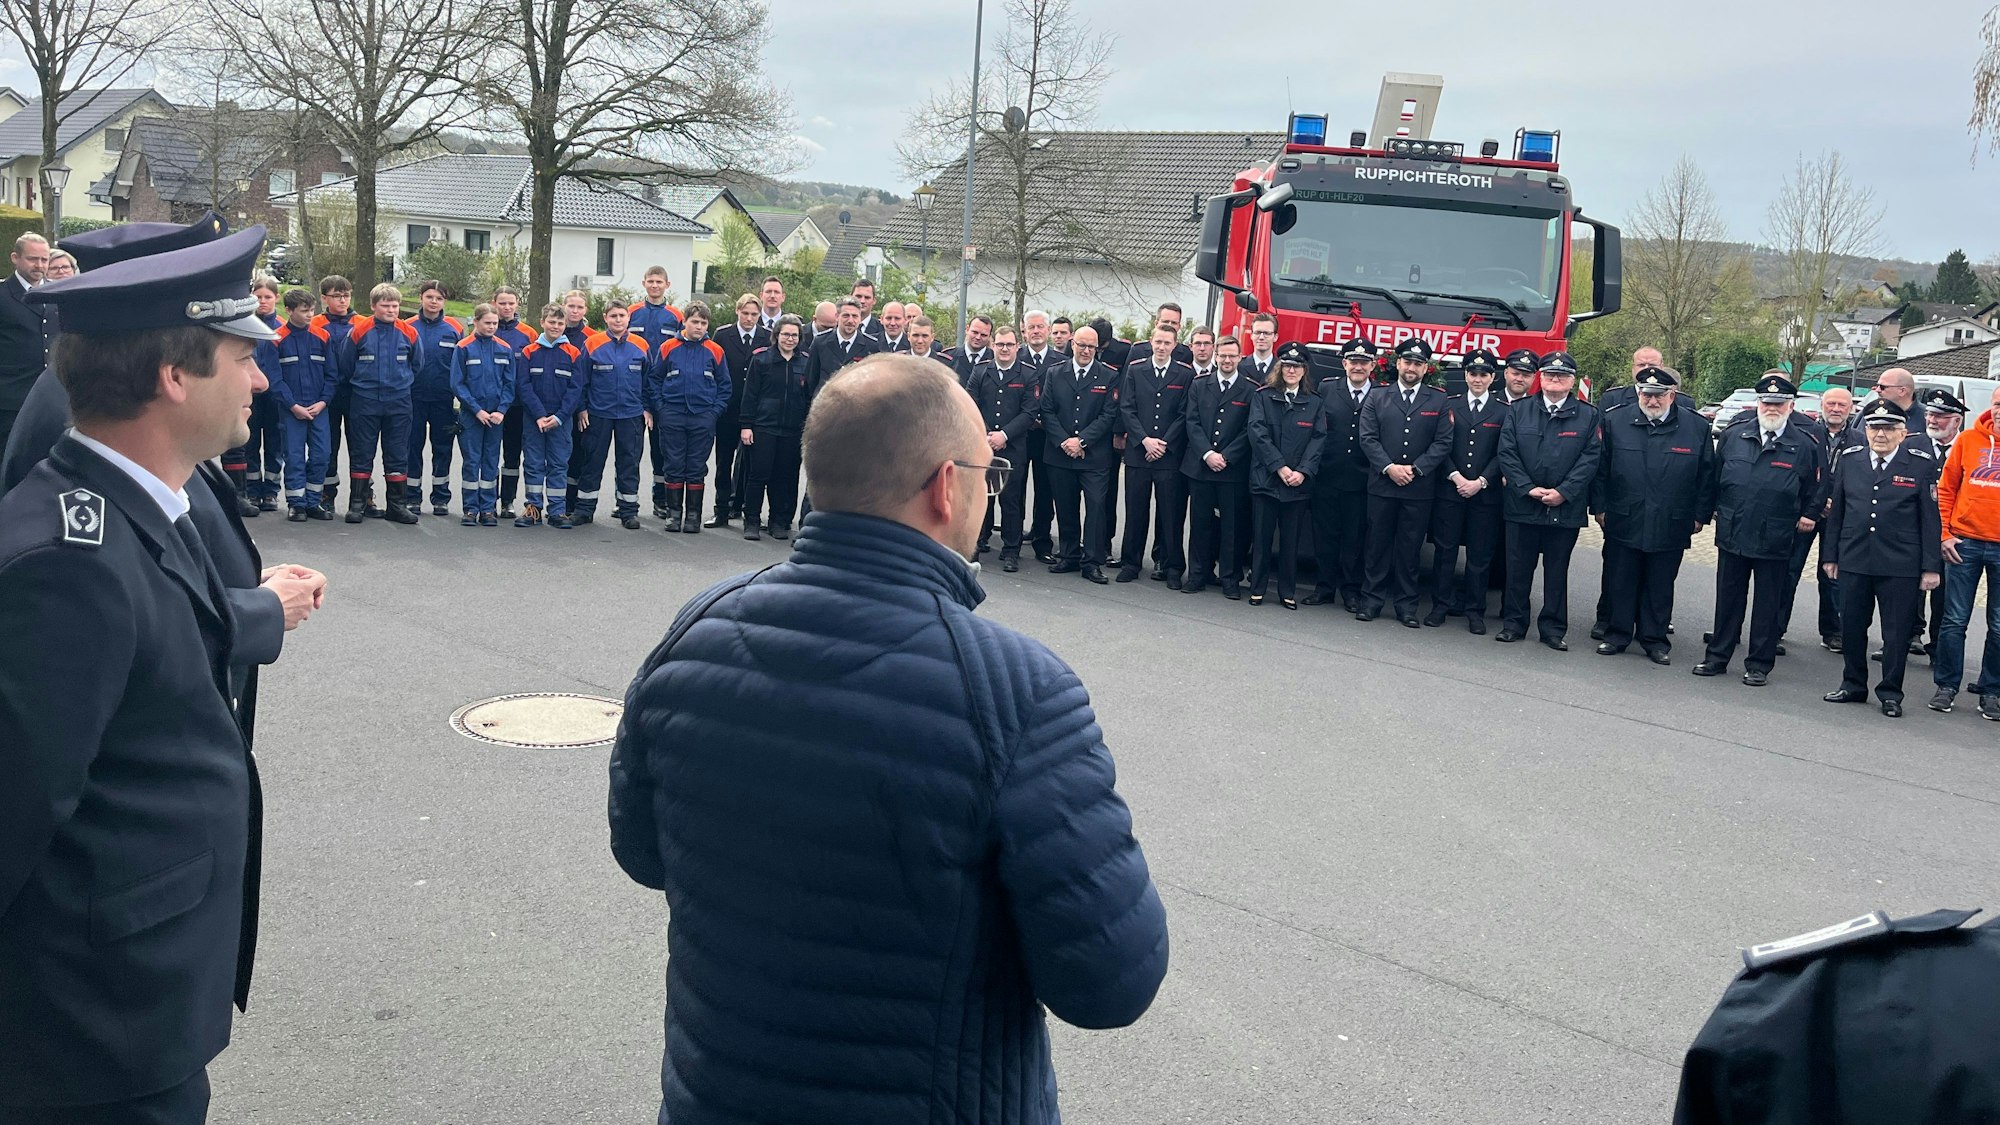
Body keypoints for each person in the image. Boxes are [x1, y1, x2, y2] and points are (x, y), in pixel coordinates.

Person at [607, 353, 1167, 1123]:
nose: (989, 491)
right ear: (946, 486)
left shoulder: (698, 627)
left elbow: (641, 850)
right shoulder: (1016, 691)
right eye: (990, 474)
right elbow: (1112, 978)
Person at [0, 224, 327, 1123]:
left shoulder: (142, 503)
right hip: (91, 1039)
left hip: (143, 1008)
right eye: (242, 357)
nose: (261, 379)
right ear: (174, 376)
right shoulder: (63, 561)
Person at [1694, 374, 1826, 686]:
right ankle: (1717, 657)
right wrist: (1705, 513)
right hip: (1734, 529)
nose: (1772, 408)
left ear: (1790, 406)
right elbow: (1714, 478)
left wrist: (1809, 515)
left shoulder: (1805, 444)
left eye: (1779, 403)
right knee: (1728, 600)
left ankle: (1758, 664)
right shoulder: (1734, 434)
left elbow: (1817, 487)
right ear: (1758, 404)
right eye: (1766, 403)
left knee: (1768, 603)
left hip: (1776, 534)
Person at [1821, 399, 1942, 718]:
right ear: (1866, 431)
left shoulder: (1920, 464)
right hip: (1855, 557)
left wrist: (1931, 566)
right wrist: (1830, 555)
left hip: (1900, 563)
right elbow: (1838, 512)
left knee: (1896, 632)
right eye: (1875, 428)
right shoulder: (1851, 459)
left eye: (1889, 428)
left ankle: (1890, 692)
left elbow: (1930, 519)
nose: (1881, 434)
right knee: (1851, 626)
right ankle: (1853, 684)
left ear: (1903, 433)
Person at [1589, 365, 1717, 663]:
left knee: (1660, 584)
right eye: (1646, 394)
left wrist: (1700, 515)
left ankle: (1655, 640)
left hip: (1672, 518)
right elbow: (1600, 469)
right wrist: (1599, 507)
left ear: (1672, 395)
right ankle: (1617, 635)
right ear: (1638, 393)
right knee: (1621, 579)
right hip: (1624, 515)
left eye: (1659, 395)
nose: (1652, 400)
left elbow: (1706, 476)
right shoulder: (1615, 420)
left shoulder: (1695, 427)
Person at [1494, 351, 1602, 650]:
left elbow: (1590, 458)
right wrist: (1527, 488)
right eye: (1550, 374)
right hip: (1523, 503)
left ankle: (1553, 629)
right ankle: (1513, 624)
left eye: (1562, 375)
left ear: (1572, 381)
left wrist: (1564, 492)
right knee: (1517, 570)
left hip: (1564, 507)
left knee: (1557, 572)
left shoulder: (1589, 415)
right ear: (1540, 378)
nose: (1556, 379)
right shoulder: (1519, 410)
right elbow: (1507, 453)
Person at [1356, 337, 1451, 626]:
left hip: (1418, 488)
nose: (1412, 368)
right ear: (1398, 364)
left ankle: (1406, 606)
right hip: (1382, 485)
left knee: (1410, 550)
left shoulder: (1438, 399)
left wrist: (1416, 469)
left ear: (1425, 368)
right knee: (1376, 546)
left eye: (1418, 364)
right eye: (1407, 361)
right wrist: (1389, 468)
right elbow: (1367, 437)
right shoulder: (1377, 396)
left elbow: (1443, 442)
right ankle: (1370, 601)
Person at [1428, 349, 1508, 632]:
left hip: (1485, 495)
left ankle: (1475, 611)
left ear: (1492, 378)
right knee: (1445, 552)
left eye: (1483, 374)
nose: (1477, 379)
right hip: (1450, 491)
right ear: (1465, 375)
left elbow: (1504, 452)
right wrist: (1455, 476)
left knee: (1480, 556)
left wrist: (1481, 481)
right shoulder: (1449, 405)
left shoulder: (1504, 411)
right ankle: (1440, 606)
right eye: (1473, 373)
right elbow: (1440, 444)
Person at [1933, 385, 2000, 719]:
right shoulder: (1969, 440)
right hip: (1965, 543)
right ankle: (1946, 686)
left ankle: (1991, 691)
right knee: (1955, 619)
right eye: (1998, 404)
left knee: (1999, 624)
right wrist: (1945, 534)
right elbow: (1946, 489)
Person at [1246, 342, 1325, 608]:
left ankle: (1287, 592)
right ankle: (1257, 588)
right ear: (1280, 368)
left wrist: (1302, 471)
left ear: (1304, 371)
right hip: (1266, 480)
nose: (1292, 371)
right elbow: (1257, 433)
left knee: (1291, 543)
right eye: (1287, 366)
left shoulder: (1314, 402)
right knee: (1262, 539)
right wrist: (1280, 467)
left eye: (1297, 367)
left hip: (1297, 484)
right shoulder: (1263, 396)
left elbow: (1318, 440)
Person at [1040, 324, 1119, 583]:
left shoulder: (1109, 375)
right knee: (1066, 507)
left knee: (1095, 507)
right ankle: (1069, 555)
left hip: (1094, 457)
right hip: (1060, 453)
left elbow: (1108, 415)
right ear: (1072, 344)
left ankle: (1092, 562)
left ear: (1098, 349)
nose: (1086, 351)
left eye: (1091, 347)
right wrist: (1065, 441)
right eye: (1082, 345)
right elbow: (1047, 410)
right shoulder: (1054, 372)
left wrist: (1082, 441)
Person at [1116, 324, 1193, 586]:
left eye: (1167, 343)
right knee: (1135, 511)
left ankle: (1172, 567)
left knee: (1171, 514)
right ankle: (1131, 563)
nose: (1161, 347)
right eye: (1158, 342)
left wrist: (1163, 444)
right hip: (1139, 453)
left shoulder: (1184, 374)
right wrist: (1145, 440)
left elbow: (1184, 413)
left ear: (1175, 345)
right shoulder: (1136, 369)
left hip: (1168, 456)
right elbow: (1127, 407)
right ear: (1151, 341)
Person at [339, 283, 421, 525]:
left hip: (399, 402)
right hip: (365, 401)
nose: (391, 310)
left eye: (395, 306)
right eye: (385, 306)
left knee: (397, 454)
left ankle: (397, 506)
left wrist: (400, 383)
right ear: (373, 306)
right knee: (362, 453)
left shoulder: (409, 332)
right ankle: (357, 504)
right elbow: (346, 364)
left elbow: (417, 364)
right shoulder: (358, 331)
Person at [1305, 339, 1378, 612]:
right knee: (1324, 536)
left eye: (1364, 363)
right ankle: (1324, 588)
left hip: (1362, 478)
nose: (1358, 367)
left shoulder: (1381, 394)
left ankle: (1351, 591)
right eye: (1353, 362)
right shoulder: (1327, 388)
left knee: (1355, 539)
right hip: (1328, 475)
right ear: (1344, 363)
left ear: (1372, 366)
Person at [1182, 334, 1254, 598]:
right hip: (1201, 466)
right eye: (1222, 355)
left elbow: (1249, 429)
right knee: (1200, 524)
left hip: (1232, 469)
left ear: (1240, 358)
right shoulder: (1200, 384)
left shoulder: (1250, 389)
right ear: (1216, 356)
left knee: (1231, 528)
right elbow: (1192, 422)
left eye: (1232, 356)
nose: (1226, 360)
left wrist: (1227, 456)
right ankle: (1197, 575)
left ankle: (1230, 578)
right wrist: (1207, 454)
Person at [649, 302, 731, 535]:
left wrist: (714, 412)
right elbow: (654, 379)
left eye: (704, 323)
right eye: (695, 321)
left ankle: (693, 516)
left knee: (696, 468)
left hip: (702, 417)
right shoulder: (668, 347)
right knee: (673, 465)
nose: (699, 326)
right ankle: (674, 514)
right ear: (684, 322)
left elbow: (725, 386)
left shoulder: (715, 350)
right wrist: (661, 409)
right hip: (672, 415)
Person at [570, 302, 651, 529]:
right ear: (605, 317)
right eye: (613, 316)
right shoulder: (592, 343)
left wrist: (647, 408)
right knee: (592, 462)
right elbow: (581, 380)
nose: (618, 320)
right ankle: (584, 510)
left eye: (622, 315)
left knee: (629, 463)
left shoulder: (641, 345)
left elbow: (649, 381)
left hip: (631, 414)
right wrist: (581, 409)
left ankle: (628, 511)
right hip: (598, 414)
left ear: (628, 318)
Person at [963, 324, 1036, 569]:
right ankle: (975, 546)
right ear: (993, 345)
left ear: (1017, 347)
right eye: (1000, 344)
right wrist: (986, 435)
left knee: (1011, 501)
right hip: (982, 446)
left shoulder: (1028, 374)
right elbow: (970, 404)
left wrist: (1004, 435)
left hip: (1013, 447)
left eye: (1009, 345)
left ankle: (1011, 550)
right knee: (980, 498)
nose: (1004, 349)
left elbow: (1029, 412)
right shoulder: (981, 371)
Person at [738, 314, 811, 540]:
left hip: (792, 430)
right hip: (764, 427)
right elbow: (750, 395)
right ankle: (751, 521)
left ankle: (777, 522)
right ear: (776, 335)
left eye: (794, 335)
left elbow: (808, 397)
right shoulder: (761, 359)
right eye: (786, 334)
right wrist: (746, 425)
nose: (790, 339)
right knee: (758, 476)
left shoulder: (805, 362)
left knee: (783, 477)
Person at [515, 303, 585, 529]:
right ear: (542, 322)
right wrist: (538, 415)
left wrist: (559, 417)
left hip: (561, 421)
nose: (555, 326)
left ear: (565, 325)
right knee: (533, 463)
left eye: (560, 323)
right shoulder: (529, 352)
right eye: (551, 322)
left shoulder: (573, 353)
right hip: (533, 419)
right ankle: (533, 509)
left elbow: (575, 389)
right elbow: (523, 386)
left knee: (558, 464)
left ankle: (557, 511)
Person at [272, 287, 337, 521]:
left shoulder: (323, 336)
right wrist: (292, 406)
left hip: (318, 408)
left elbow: (332, 375)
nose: (310, 315)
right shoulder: (277, 339)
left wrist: (323, 402)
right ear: (289, 310)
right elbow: (274, 378)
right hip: (292, 410)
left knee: (321, 455)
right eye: (304, 311)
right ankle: (296, 504)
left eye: (312, 310)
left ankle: (313, 501)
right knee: (294, 456)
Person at [449, 302, 515, 527]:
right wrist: (476, 410)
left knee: (491, 461)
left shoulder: (505, 348)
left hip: (496, 417)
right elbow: (457, 383)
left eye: (495, 323)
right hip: (471, 416)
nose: (492, 327)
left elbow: (510, 384)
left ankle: (487, 508)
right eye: (487, 323)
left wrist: (501, 410)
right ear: (475, 322)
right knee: (471, 461)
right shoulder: (463, 347)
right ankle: (470, 509)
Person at [704, 294, 767, 529]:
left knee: (750, 464)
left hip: (754, 411)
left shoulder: (766, 336)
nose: (749, 318)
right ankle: (721, 510)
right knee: (724, 462)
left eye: (754, 314)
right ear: (737, 311)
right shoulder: (723, 335)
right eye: (745, 313)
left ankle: (745, 507)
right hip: (728, 409)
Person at [402, 280, 463, 516]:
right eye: (429, 297)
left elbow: (461, 365)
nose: (434, 302)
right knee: (412, 447)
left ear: (444, 301)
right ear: (421, 298)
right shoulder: (407, 326)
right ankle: (412, 497)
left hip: (443, 400)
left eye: (439, 298)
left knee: (443, 448)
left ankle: (441, 497)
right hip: (413, 398)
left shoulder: (454, 328)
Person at [627, 266, 684, 519]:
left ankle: (660, 500)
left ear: (667, 285)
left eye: (659, 281)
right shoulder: (631, 312)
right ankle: (625, 499)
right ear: (644, 283)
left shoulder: (676, 315)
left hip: (662, 390)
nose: (654, 285)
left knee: (661, 450)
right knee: (630, 450)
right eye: (650, 281)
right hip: (633, 388)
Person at [226, 275, 284, 515]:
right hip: (249, 392)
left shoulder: (282, 327)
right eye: (258, 297)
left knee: (274, 443)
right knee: (248, 442)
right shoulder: (244, 326)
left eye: (267, 297)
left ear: (276, 298)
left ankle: (270, 491)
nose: (262, 301)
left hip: (275, 394)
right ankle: (250, 489)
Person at [1812, 386, 1862, 652]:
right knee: (1789, 571)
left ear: (1851, 408)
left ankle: (1833, 632)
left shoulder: (1861, 439)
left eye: (1842, 405)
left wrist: (1837, 502)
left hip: (1841, 515)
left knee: (1833, 575)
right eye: (1831, 403)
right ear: (1822, 405)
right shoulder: (1806, 433)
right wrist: (1818, 502)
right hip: (1808, 511)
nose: (1836, 409)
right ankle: (1776, 629)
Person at [0, 232, 53, 458]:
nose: (39, 265)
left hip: (51, 397)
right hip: (10, 399)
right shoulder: (3, 294)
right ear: (15, 258)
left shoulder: (59, 292)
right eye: (32, 259)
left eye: (44, 260)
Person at [311, 275, 356, 515]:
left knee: (360, 447)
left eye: (346, 295)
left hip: (355, 393)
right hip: (325, 395)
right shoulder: (315, 324)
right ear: (324, 298)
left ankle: (363, 496)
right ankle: (326, 494)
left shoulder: (362, 323)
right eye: (336, 296)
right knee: (328, 447)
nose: (342, 300)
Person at [491, 286, 534, 519]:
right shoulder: (486, 327)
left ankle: (507, 501)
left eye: (511, 303)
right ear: (494, 303)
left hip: (516, 406)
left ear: (517, 304)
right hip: (489, 405)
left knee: (512, 455)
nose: (506, 307)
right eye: (502, 303)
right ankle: (487, 502)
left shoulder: (528, 333)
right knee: (488, 455)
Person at [952, 314, 994, 383]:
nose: (978, 337)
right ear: (967, 329)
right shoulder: (949, 357)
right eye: (975, 332)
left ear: (989, 336)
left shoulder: (995, 360)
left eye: (983, 335)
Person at [1243, 313, 1280, 380]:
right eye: (1257, 332)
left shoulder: (1281, 369)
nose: (1261, 337)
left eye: (1267, 333)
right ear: (1251, 335)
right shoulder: (1239, 367)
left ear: (1275, 337)